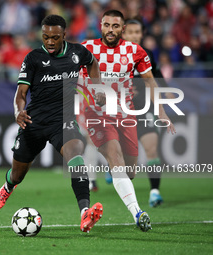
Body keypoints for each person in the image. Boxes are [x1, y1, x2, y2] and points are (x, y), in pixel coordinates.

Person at [0, 15, 103, 233]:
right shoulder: (33, 58)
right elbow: (21, 93)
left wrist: (98, 88)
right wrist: (18, 112)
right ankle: (7, 187)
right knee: (17, 174)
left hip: (63, 121)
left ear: (64, 35)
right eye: (45, 37)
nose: (49, 42)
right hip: (34, 122)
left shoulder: (77, 53)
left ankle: (85, 213)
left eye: (54, 37)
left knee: (76, 157)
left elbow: (93, 63)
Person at [80, 10, 176, 232]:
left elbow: (151, 82)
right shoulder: (87, 48)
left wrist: (161, 112)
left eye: (115, 26)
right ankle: (138, 213)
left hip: (126, 115)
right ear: (100, 26)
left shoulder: (136, 51)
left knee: (129, 170)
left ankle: (115, 172)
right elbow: (71, 77)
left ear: (121, 29)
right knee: (116, 160)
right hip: (98, 115)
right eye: (107, 25)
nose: (110, 30)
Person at [123, 19, 175, 207]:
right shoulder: (113, 55)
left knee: (151, 148)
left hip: (144, 108)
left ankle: (154, 191)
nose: (135, 35)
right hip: (121, 110)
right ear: (123, 33)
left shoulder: (147, 54)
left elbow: (155, 77)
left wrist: (165, 92)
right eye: (131, 32)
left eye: (138, 32)